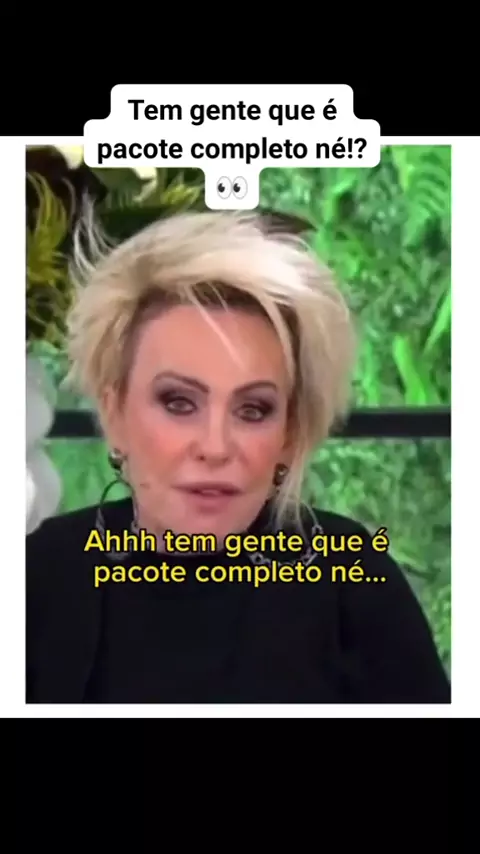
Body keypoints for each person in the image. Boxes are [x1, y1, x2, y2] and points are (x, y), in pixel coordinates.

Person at [26, 208, 451, 704]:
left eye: (253, 410)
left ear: (289, 432)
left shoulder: (351, 582)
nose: (216, 447)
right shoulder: (38, 574)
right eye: (179, 403)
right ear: (114, 412)